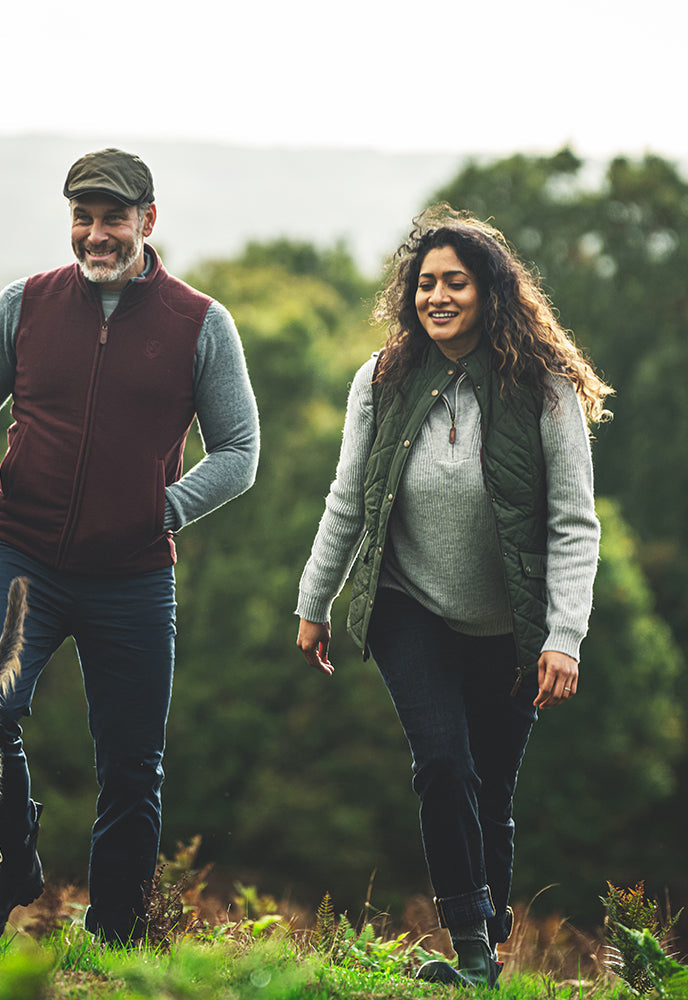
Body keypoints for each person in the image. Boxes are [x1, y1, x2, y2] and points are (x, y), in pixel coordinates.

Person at [0, 148, 259, 944]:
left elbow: (239, 452)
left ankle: (116, 931)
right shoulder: (26, 304)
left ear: (149, 221)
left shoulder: (200, 323)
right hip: (20, 556)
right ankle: (14, 863)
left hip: (134, 579)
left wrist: (164, 510)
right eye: (83, 216)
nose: (96, 233)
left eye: (114, 218)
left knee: (131, 765)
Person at [295, 205, 612, 987]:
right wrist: (314, 601)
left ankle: (489, 959)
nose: (437, 296)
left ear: (490, 292)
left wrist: (563, 637)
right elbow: (347, 498)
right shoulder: (381, 379)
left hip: (513, 625)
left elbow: (575, 524)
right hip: (410, 605)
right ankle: (470, 946)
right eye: (425, 283)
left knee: (492, 791)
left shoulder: (545, 388)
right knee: (443, 763)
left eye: (455, 283)